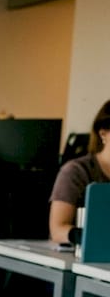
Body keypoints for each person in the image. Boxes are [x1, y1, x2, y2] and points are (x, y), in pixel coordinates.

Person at [50, 99, 110, 244]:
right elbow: (57, 229)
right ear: (103, 134)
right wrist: (91, 236)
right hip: (82, 252)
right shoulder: (76, 171)